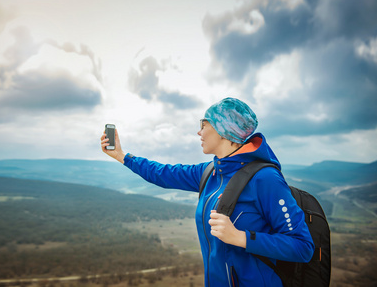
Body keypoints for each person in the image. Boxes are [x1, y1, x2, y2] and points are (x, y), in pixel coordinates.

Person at [100, 97, 314, 287]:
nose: (199, 132)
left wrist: (241, 238)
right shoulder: (211, 172)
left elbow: (303, 247)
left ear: (224, 130)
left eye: (203, 124)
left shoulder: (265, 179)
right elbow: (163, 173)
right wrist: (121, 155)